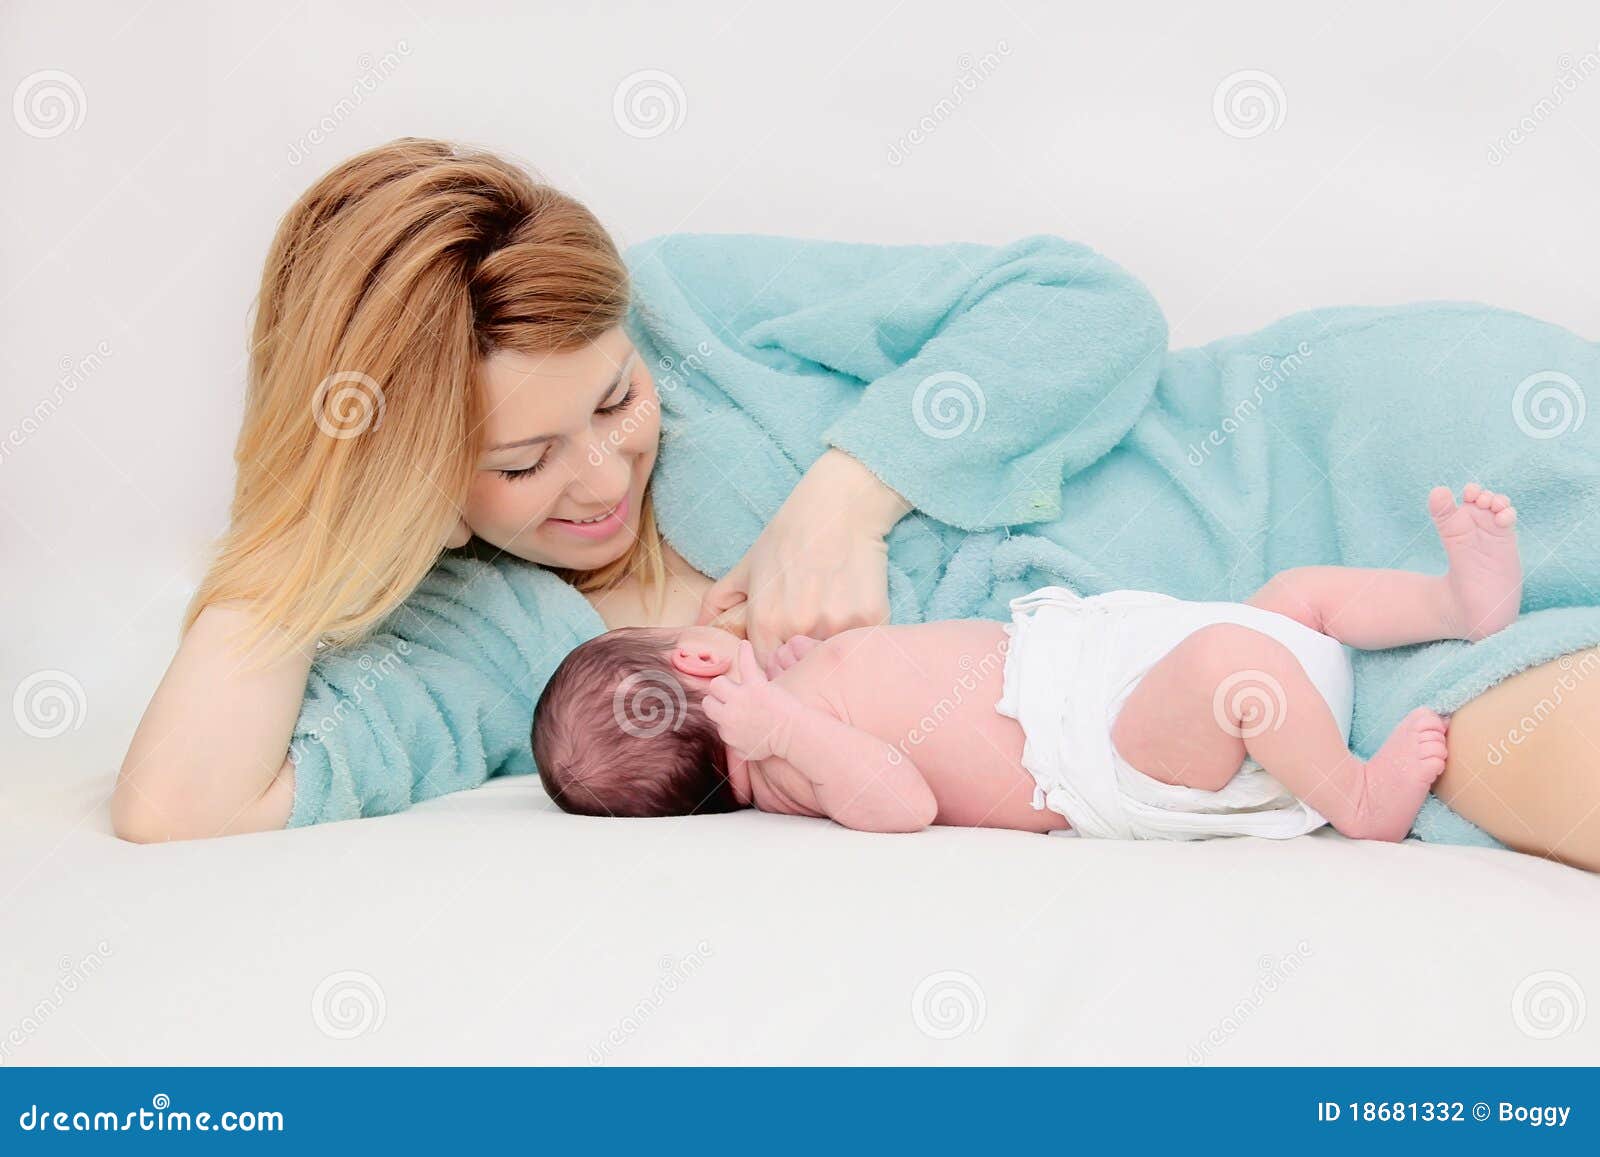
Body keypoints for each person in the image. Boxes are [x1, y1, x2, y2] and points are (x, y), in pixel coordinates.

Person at [114, 139, 1600, 872]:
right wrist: (303, 520)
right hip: (1324, 697)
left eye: (616, 402)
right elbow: (181, 807)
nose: (601, 475)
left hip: (1310, 463)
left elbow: (1082, 304)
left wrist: (851, 493)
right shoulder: (489, 650)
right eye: (518, 463)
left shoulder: (695, 309)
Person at [533, 484, 1518, 843]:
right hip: (1115, 751)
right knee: (1231, 658)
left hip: (1115, 671)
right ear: (700, 655)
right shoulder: (787, 766)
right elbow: (899, 800)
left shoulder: (789, 708)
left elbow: (862, 700)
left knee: (1294, 598)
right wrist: (787, 724)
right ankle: (1356, 797)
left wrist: (795, 681)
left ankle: (1452, 605)